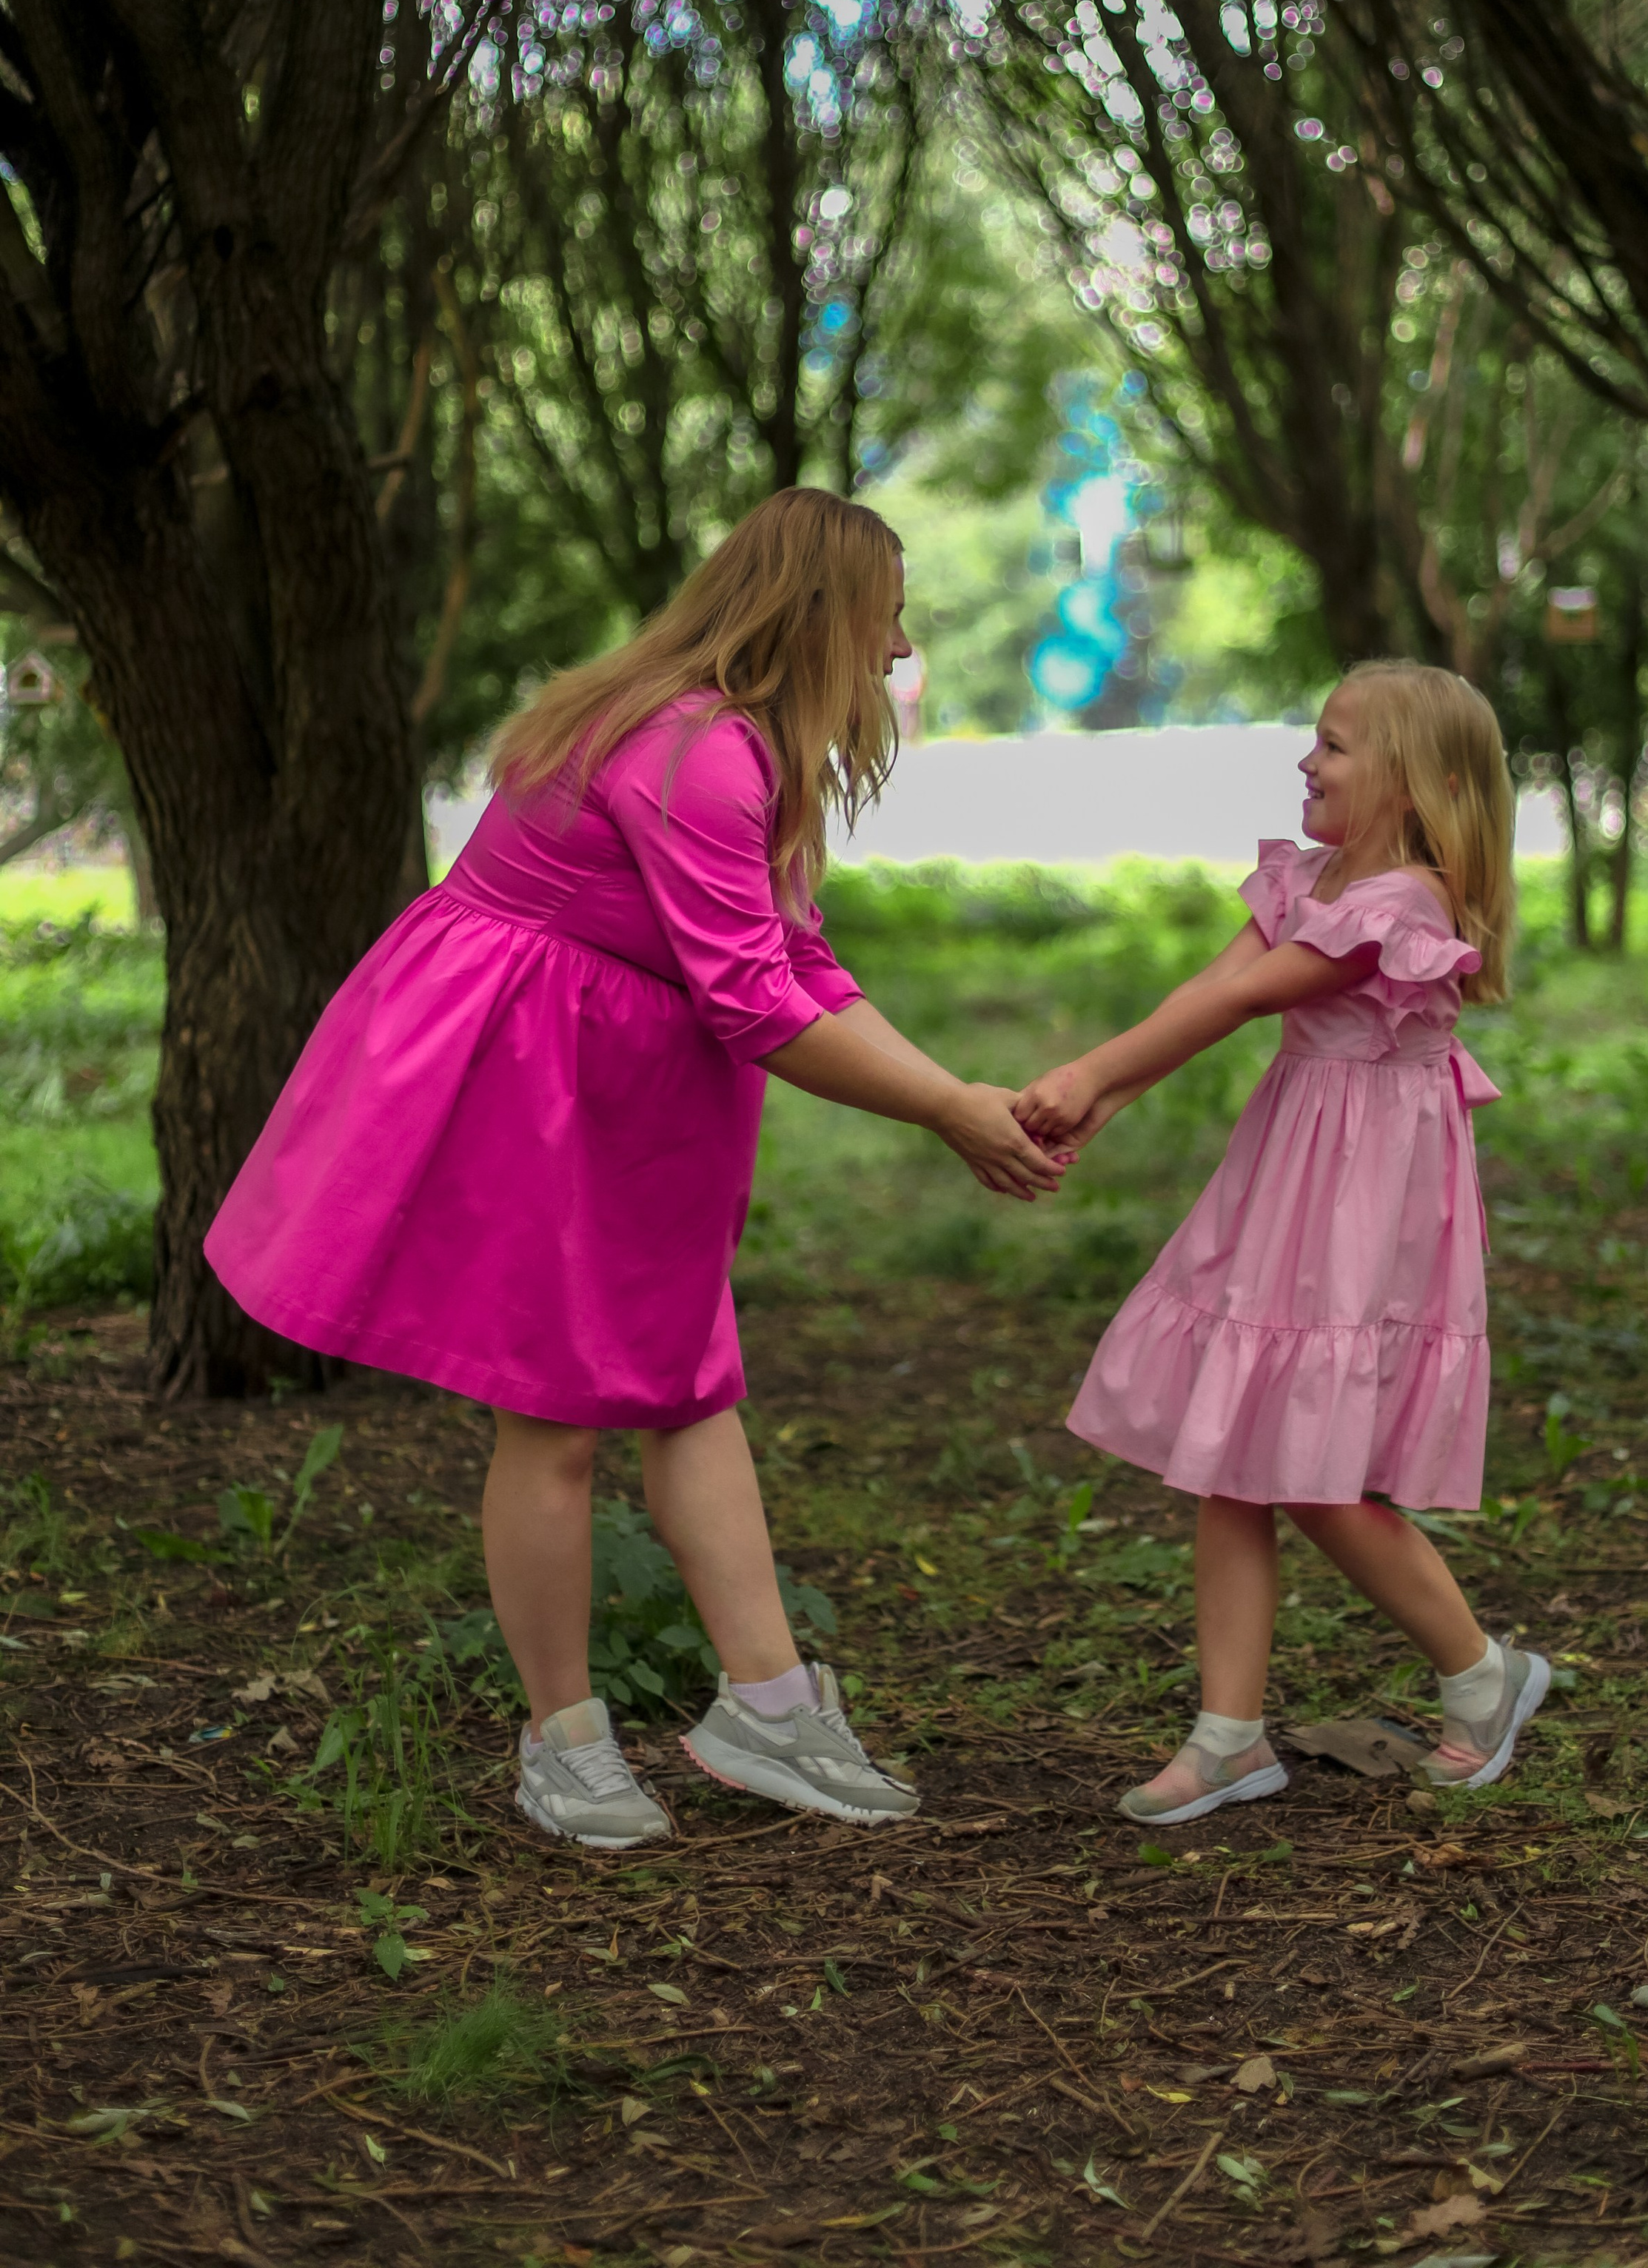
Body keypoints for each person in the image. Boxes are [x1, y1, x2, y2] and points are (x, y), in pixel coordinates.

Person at [207, 489, 1062, 1850]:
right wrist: (947, 1113)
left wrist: (962, 1095)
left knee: (687, 1380)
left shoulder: (726, 740)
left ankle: (768, 1706)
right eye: (889, 623)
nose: (899, 655)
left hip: (622, 1076)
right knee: (555, 1418)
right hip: (534, 1076)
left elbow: (803, 962)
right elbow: (762, 1010)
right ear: (825, 616)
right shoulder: (693, 755)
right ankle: (564, 1741)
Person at [1014, 661, 1546, 1825]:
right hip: (1295, 1177)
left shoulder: (1404, 901)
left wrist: (1093, 1072)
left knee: (1323, 1479)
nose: (1309, 760)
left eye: (1339, 745)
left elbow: (1251, 996)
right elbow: (1210, 987)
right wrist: (1108, 1095)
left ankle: (1483, 1676)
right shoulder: (1311, 877)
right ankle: (1227, 1738)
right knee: (1234, 1450)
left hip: (1364, 1204)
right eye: (1317, 737)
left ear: (1422, 785)